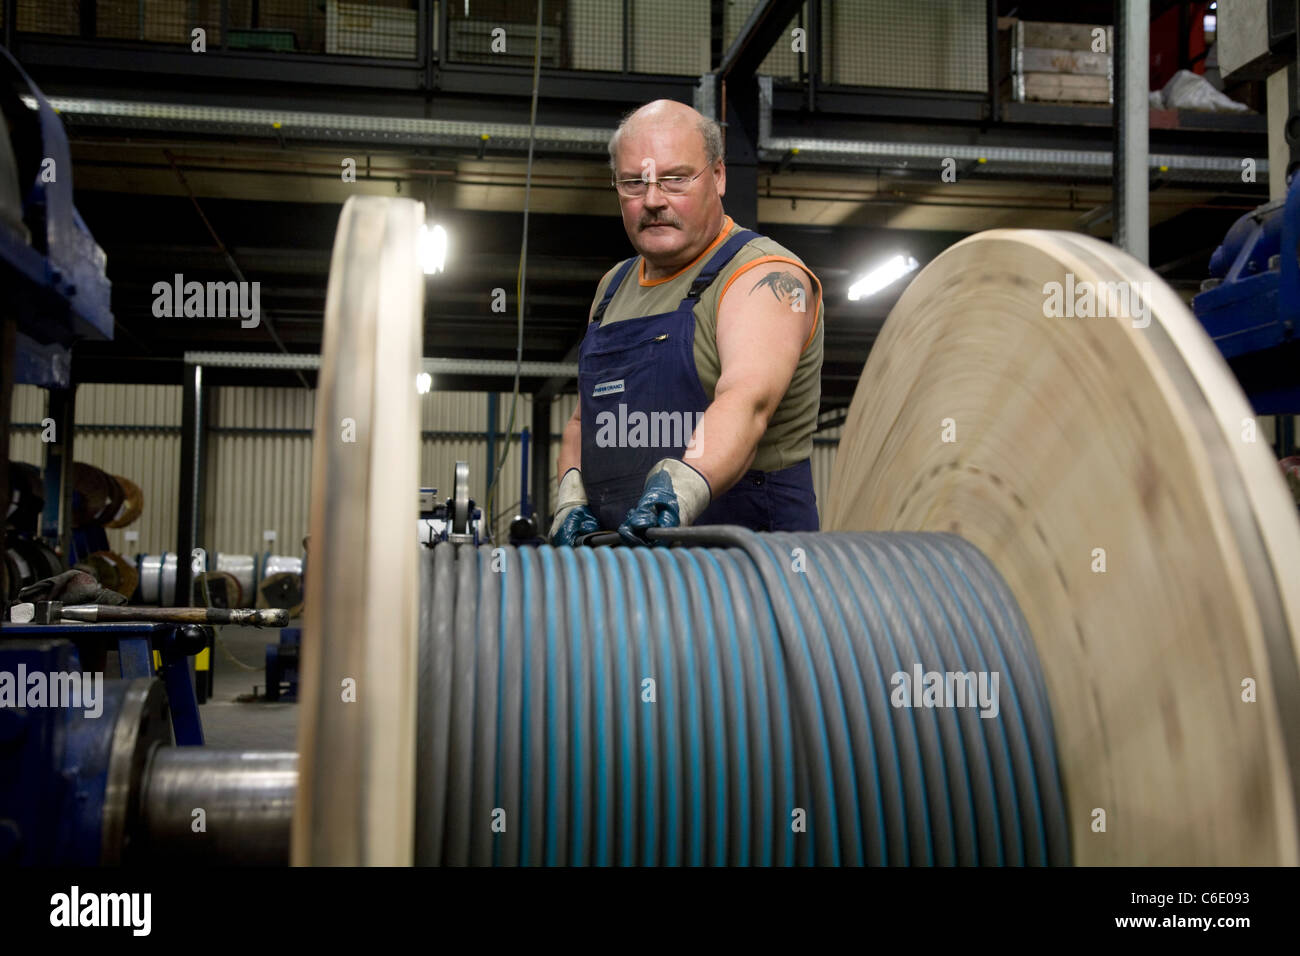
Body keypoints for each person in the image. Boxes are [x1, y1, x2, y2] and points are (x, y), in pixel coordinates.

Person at [551, 99, 824, 547]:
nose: (654, 200)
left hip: (748, 572)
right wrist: (570, 497)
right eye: (634, 183)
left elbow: (746, 401)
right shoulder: (612, 288)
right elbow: (586, 422)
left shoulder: (765, 277)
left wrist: (675, 495)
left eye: (676, 179)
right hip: (626, 569)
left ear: (718, 176)